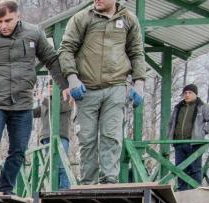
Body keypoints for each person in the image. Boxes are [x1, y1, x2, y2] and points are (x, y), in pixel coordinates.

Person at [0, 0, 67, 195]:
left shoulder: (34, 33)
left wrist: (65, 86)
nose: (4, 26)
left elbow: (51, 59)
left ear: (18, 16)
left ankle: (6, 189)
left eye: (8, 20)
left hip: (22, 102)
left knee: (18, 149)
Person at [59, 0, 147, 185]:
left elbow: (136, 52)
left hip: (116, 86)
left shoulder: (129, 20)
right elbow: (66, 49)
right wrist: (72, 78)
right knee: (87, 138)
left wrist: (139, 82)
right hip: (86, 89)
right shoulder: (82, 18)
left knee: (111, 135)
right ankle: (88, 182)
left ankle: (109, 180)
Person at [167, 84, 209, 191]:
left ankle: (196, 190)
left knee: (195, 169)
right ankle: (182, 192)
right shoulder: (178, 107)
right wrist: (170, 136)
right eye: (185, 93)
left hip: (195, 144)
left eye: (190, 92)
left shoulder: (203, 106)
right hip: (179, 143)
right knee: (180, 168)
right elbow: (171, 123)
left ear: (195, 94)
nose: (187, 95)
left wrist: (203, 131)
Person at [33, 81, 75, 190]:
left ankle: (64, 188)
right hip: (45, 137)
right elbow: (33, 112)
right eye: (48, 86)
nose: (50, 89)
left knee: (61, 164)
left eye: (52, 86)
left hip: (60, 136)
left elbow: (59, 108)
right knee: (49, 166)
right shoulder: (46, 102)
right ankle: (52, 188)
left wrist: (44, 100)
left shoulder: (66, 99)